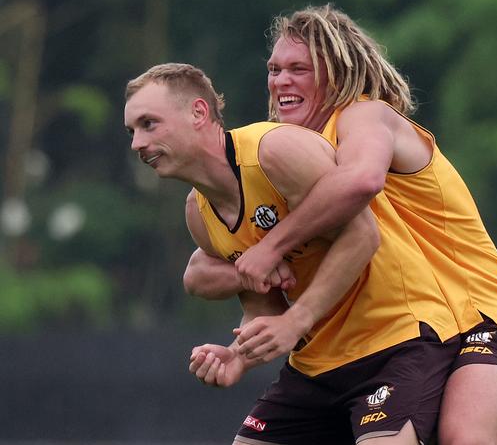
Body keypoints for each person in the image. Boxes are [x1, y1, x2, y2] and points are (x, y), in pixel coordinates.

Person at [184, 5, 497, 444]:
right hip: (415, 327)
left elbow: (362, 180)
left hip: (482, 312)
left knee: (462, 438)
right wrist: (241, 334)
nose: (280, 81)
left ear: (335, 73)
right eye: (274, 69)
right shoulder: (290, 155)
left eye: (298, 68)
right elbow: (205, 266)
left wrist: (272, 249)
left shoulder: (364, 115)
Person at [124, 62, 462, 445]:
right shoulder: (198, 214)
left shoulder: (273, 150)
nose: (137, 143)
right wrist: (238, 355)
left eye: (149, 124)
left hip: (397, 342)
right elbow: (265, 308)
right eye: (132, 131)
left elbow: (364, 235)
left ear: (198, 113)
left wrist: (298, 318)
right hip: (317, 364)